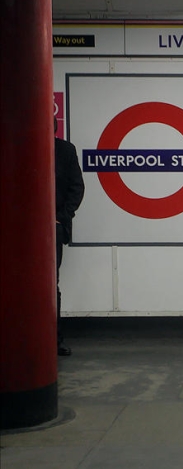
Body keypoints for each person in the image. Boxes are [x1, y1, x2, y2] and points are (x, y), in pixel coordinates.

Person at [55, 117, 85, 356]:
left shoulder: (65, 151)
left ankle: (54, 340)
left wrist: (61, 218)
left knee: (50, 284)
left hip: (52, 228)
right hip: (18, 231)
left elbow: (77, 187)